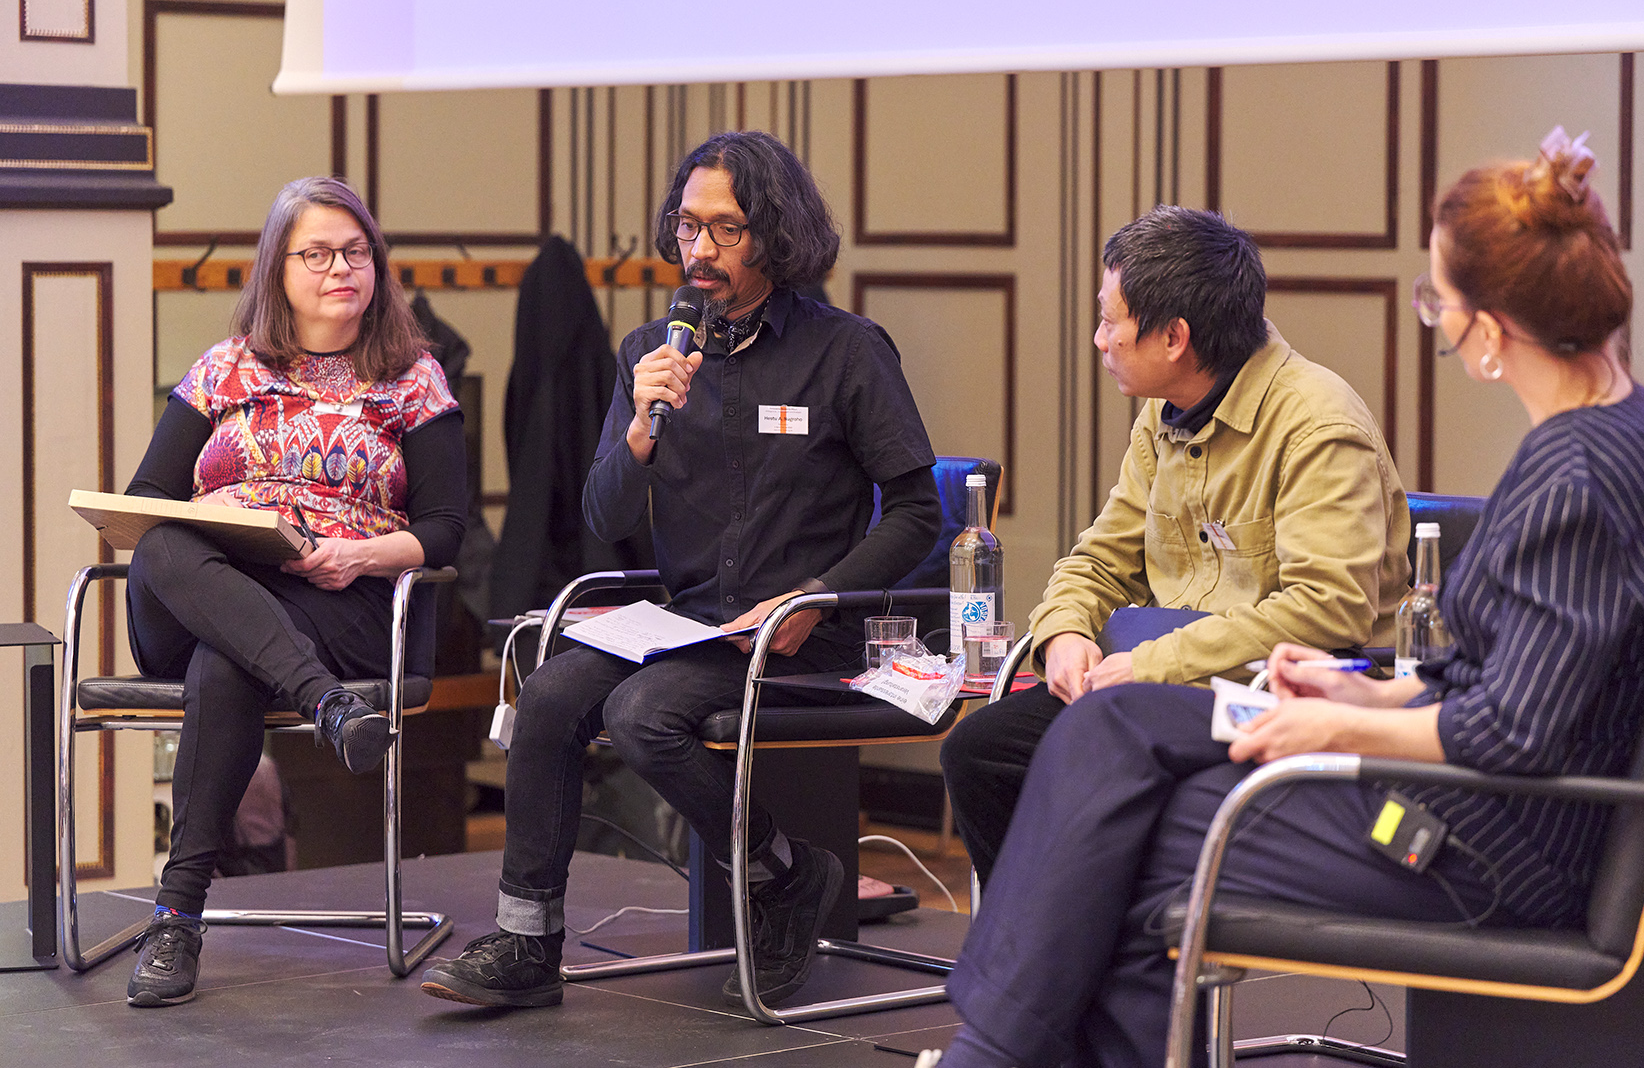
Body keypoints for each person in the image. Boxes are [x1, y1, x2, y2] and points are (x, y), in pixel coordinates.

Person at [927, 129, 1644, 1068]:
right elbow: (1513, 685)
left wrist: (1331, 731)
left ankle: (995, 1054)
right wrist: (1367, 696)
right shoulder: (1628, 429)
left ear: (1488, 324)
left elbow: (1510, 733)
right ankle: (1004, 1053)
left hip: (1483, 844)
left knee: (1115, 833)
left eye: (1440, 299)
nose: (1439, 319)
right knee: (1107, 744)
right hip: (1480, 804)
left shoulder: (1576, 475)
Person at [422, 131, 940, 1010]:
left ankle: (779, 877)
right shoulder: (647, 355)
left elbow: (920, 512)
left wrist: (820, 593)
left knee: (640, 713)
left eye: (723, 229)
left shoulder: (848, 352)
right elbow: (603, 516)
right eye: (686, 225)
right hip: (698, 623)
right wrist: (636, 431)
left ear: (774, 234)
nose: (697, 249)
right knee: (549, 693)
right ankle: (529, 938)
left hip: (804, 631)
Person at [942, 206, 1412, 885]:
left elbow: (1326, 610)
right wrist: (1064, 631)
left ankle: (1107, 963)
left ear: (1174, 338)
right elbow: (1101, 556)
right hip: (1156, 677)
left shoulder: (1317, 423)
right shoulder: (1163, 412)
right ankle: (1073, 963)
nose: (1099, 338)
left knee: (1096, 756)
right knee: (981, 751)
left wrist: (1155, 665)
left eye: (1111, 320)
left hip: (1281, 687)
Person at [122, 176, 468, 1006]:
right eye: (316, 253)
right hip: (207, 584)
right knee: (167, 543)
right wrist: (217, 509)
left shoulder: (412, 379)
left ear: (377, 268)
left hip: (337, 599)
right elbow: (146, 499)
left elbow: (448, 527)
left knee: (229, 659)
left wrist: (359, 551)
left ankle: (176, 914)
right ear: (278, 269)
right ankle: (327, 706)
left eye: (356, 252)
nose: (340, 268)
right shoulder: (224, 369)